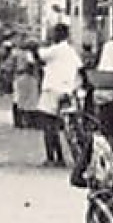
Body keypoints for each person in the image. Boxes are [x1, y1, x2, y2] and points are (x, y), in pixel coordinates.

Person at [34, 24, 82, 167]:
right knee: (65, 127)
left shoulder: (55, 49)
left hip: (52, 90)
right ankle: (61, 157)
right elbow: (80, 69)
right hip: (67, 91)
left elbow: (39, 56)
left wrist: (33, 47)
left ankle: (51, 157)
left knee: (48, 126)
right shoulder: (71, 51)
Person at [12, 43, 41, 129]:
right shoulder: (28, 54)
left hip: (18, 76)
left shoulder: (17, 54)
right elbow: (30, 64)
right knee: (30, 100)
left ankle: (18, 122)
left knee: (19, 99)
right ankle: (29, 122)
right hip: (28, 77)